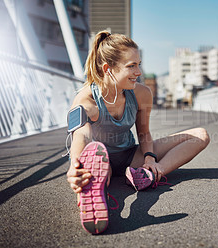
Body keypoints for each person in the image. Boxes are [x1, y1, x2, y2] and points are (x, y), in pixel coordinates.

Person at [66, 30, 210, 234]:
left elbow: (144, 133)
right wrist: (75, 166)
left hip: (130, 157)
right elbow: (81, 135)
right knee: (91, 167)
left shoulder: (142, 93)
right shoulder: (86, 100)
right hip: (99, 161)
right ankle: (89, 188)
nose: (139, 72)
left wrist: (150, 159)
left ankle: (147, 175)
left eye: (139, 64)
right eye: (131, 66)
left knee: (201, 135)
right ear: (108, 69)